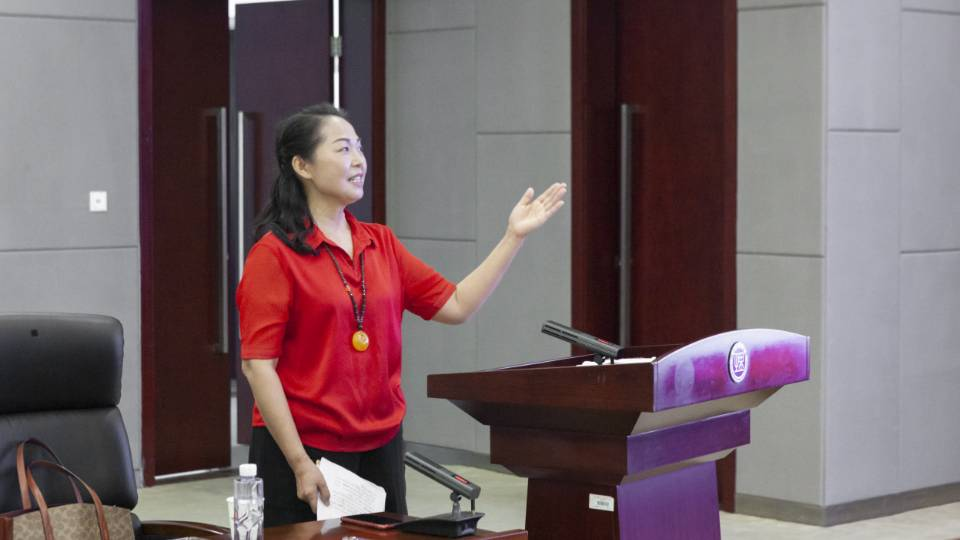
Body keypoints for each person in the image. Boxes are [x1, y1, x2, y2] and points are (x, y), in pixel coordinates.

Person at [237, 103, 567, 526]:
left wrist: (512, 237)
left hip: (381, 443)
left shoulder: (381, 243)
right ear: (302, 165)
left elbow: (457, 305)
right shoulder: (274, 254)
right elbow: (258, 366)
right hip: (303, 449)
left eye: (359, 147)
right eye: (342, 149)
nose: (359, 160)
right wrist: (300, 462)